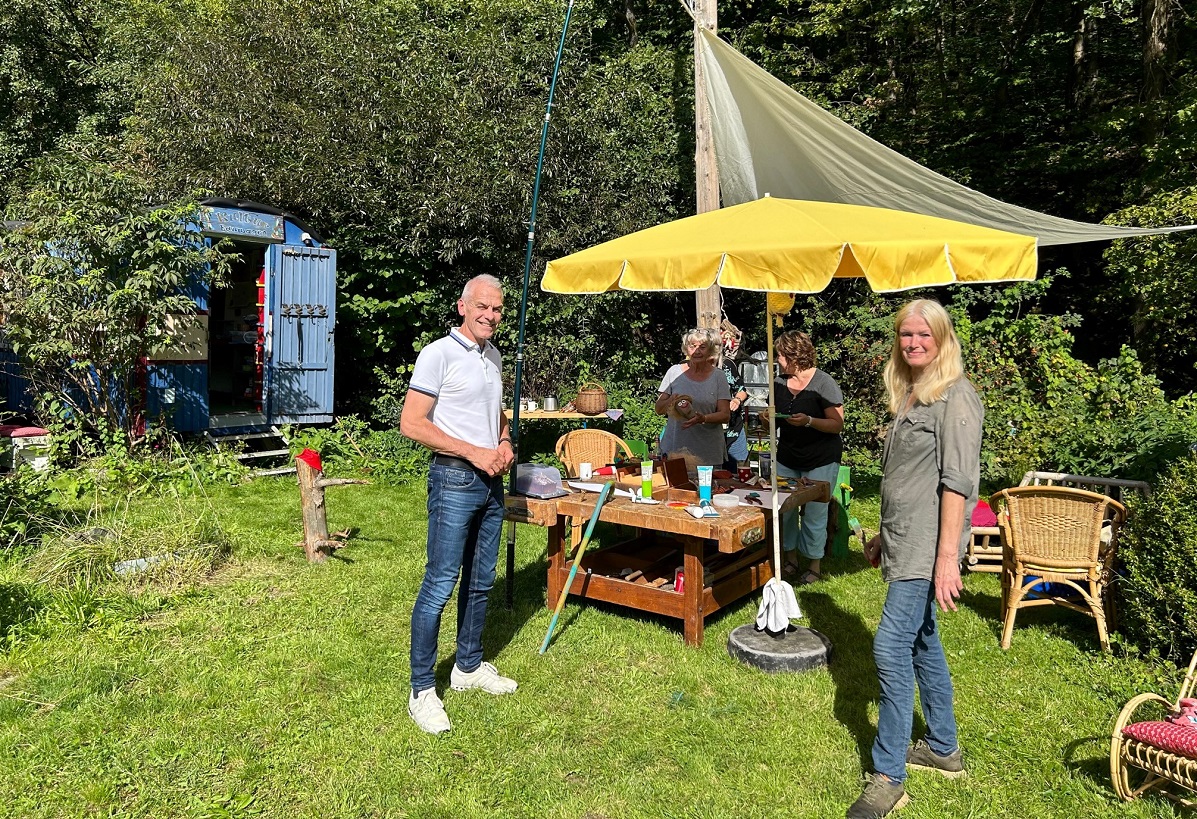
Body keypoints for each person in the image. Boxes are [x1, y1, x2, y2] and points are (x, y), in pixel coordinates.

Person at [848, 299, 982, 819]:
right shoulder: (912, 394)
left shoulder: (956, 398)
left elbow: (956, 485)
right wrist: (884, 533)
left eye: (923, 335)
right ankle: (944, 750)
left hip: (930, 547)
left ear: (943, 338)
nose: (913, 343)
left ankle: (889, 775)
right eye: (906, 335)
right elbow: (907, 479)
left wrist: (947, 557)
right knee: (923, 640)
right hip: (905, 539)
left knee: (889, 647)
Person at [399, 274, 517, 736]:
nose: (491, 315)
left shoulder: (494, 356)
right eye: (483, 306)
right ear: (463, 307)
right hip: (454, 479)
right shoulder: (438, 353)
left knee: (482, 580)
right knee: (441, 582)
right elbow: (412, 423)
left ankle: (467, 667)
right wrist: (474, 452)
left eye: (498, 309)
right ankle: (421, 690)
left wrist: (504, 440)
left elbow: (496, 414)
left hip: (490, 482)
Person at [758, 331, 844, 585]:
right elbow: (770, 421)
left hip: (821, 459)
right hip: (787, 456)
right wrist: (766, 418)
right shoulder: (778, 384)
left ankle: (814, 564)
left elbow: (837, 424)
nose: (778, 360)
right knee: (784, 511)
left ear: (795, 356)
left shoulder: (824, 383)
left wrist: (808, 421)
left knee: (815, 513)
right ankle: (791, 559)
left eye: (781, 355)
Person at [655, 328, 732, 471]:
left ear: (709, 350)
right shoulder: (674, 372)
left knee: (709, 492)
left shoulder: (718, 377)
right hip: (675, 450)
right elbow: (658, 409)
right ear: (686, 349)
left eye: (702, 347)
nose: (697, 351)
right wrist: (671, 399)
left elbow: (725, 415)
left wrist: (703, 418)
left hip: (708, 452)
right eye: (692, 346)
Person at [719, 334, 751, 472]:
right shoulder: (692, 370)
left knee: (740, 473)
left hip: (733, 430)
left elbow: (742, 390)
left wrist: (737, 400)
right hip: (707, 434)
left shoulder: (726, 365)